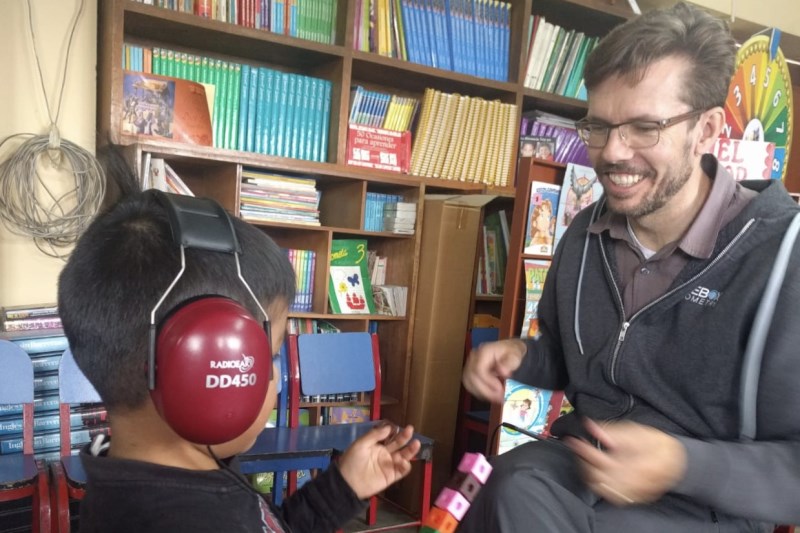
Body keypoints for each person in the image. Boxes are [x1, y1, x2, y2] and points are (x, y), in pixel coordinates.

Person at [460, 2, 800, 532]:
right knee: (509, 484)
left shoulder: (785, 257)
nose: (613, 153)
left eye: (645, 127)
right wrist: (522, 356)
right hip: (578, 470)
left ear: (707, 130)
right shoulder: (583, 233)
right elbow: (575, 358)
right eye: (599, 125)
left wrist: (681, 463)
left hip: (706, 507)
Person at [57, 161, 421, 533]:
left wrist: (343, 488)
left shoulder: (179, 477)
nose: (278, 377)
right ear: (207, 370)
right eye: (271, 355)